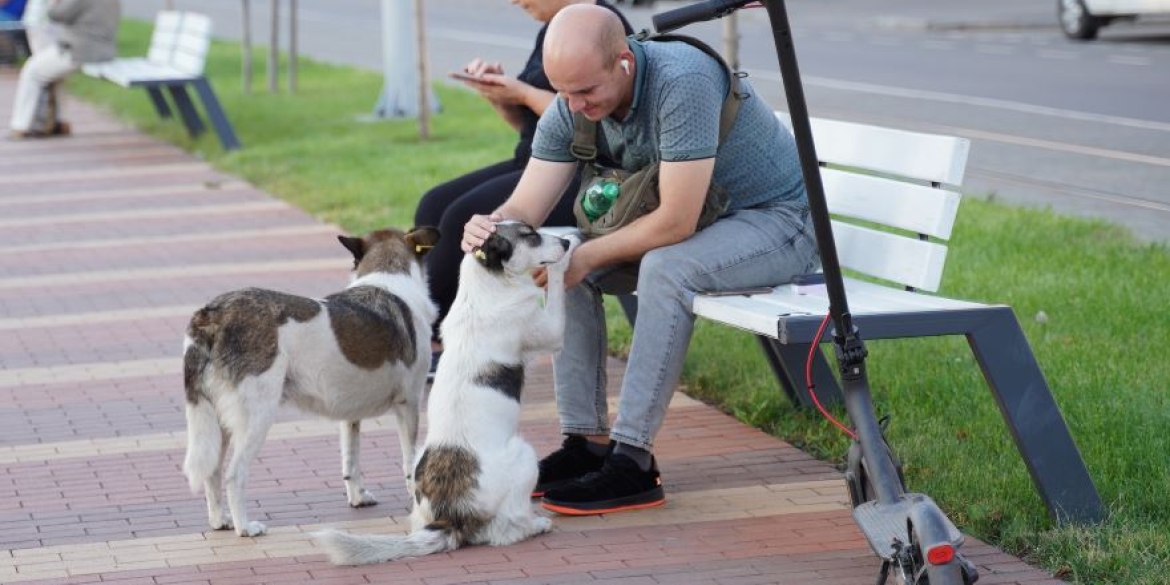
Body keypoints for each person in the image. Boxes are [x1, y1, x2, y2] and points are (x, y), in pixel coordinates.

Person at [461, 4, 819, 515]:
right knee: (564, 257)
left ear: (623, 62)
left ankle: (633, 460)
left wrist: (585, 258)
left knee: (662, 269)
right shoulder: (571, 101)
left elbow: (675, 222)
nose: (575, 106)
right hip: (707, 224)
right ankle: (586, 442)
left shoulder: (682, 82)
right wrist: (492, 225)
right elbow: (526, 205)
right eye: (564, 93)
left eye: (587, 92)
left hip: (777, 221)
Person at [413, 0, 632, 378]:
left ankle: (454, 342)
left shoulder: (599, 29)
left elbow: (589, 123)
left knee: (458, 218)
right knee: (433, 203)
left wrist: (522, 92)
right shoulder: (550, 30)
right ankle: (430, 333)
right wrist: (503, 99)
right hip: (535, 161)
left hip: (578, 172)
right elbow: (531, 127)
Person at [8, 0, 119, 139]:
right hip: (103, 50)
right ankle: (61, 121)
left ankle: (20, 126)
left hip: (79, 50)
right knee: (52, 73)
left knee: (32, 71)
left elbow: (57, 14)